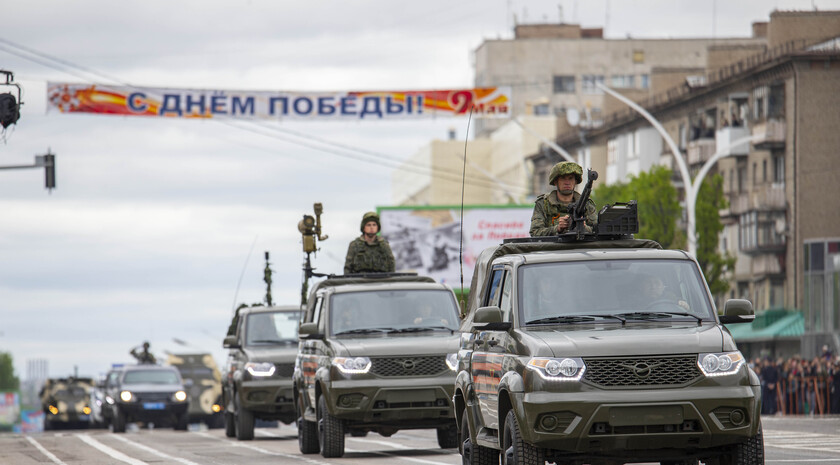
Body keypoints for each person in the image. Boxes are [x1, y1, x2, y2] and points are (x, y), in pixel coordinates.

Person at [530, 161, 597, 237]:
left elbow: (597, 231)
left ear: (575, 182)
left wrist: (584, 227)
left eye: (570, 178)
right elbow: (535, 232)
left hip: (581, 248)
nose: (567, 182)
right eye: (563, 178)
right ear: (555, 182)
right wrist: (557, 228)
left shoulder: (586, 204)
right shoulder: (543, 204)